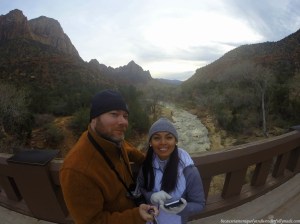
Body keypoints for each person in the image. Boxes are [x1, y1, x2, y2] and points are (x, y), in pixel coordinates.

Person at [60, 89, 158, 224]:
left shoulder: (113, 141)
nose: (123, 122)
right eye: (114, 114)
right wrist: (136, 216)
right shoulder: (77, 170)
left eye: (125, 116)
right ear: (94, 118)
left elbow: (130, 151)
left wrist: (150, 162)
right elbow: (92, 222)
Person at [136, 118, 205, 224]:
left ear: (176, 141)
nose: (163, 143)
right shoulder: (146, 166)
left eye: (169, 137)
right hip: (150, 221)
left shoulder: (189, 170)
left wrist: (183, 208)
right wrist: (151, 196)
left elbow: (199, 204)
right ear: (150, 142)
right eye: (157, 138)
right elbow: (140, 189)